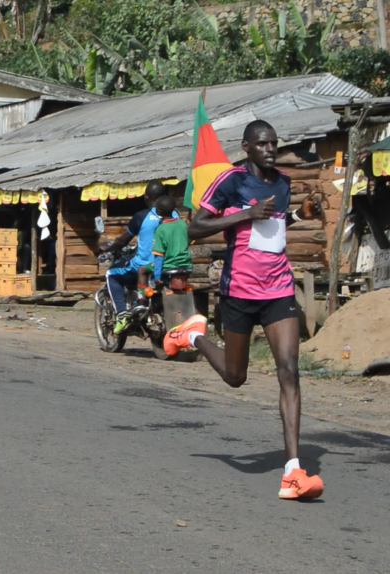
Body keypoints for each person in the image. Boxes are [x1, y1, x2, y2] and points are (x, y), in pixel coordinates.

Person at [167, 120, 325, 500]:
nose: (270, 149)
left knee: (289, 371)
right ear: (247, 147)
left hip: (278, 289)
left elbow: (276, 224)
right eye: (262, 144)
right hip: (238, 290)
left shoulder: (283, 183)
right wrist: (243, 214)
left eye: (274, 143)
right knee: (235, 377)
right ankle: (192, 335)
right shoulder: (231, 181)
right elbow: (195, 227)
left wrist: (300, 213)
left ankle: (292, 472)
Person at [98, 182, 169, 333]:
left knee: (111, 274)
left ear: (146, 197)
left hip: (145, 265)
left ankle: (122, 314)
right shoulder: (174, 214)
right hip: (167, 264)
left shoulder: (141, 217)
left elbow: (123, 240)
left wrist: (109, 249)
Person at [135, 195, 191, 300]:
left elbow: (159, 256)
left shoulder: (160, 229)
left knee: (141, 270)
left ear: (158, 212)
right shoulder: (182, 224)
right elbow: (188, 241)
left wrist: (157, 277)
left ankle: (142, 300)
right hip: (186, 264)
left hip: (169, 265)